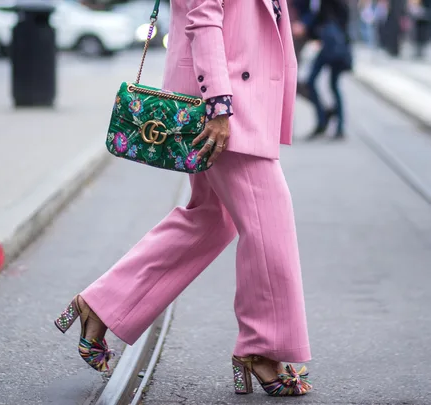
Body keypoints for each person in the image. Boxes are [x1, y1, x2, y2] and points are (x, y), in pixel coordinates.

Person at [55, 0, 312, 397]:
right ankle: (263, 347)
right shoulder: (221, 108)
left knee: (210, 219)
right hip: (223, 104)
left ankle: (101, 305)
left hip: (239, 96)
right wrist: (219, 107)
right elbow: (203, 16)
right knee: (269, 225)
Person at [305, 0, 352, 140]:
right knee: (328, 84)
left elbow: (323, 16)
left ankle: (330, 122)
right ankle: (331, 122)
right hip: (334, 44)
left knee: (318, 82)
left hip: (332, 45)